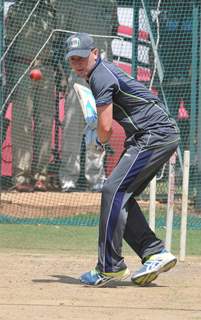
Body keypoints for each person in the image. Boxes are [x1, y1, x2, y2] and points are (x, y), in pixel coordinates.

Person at [65, 32, 180, 286]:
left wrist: (97, 141)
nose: (78, 63)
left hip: (153, 135)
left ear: (95, 53)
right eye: (73, 59)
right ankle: (154, 252)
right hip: (153, 135)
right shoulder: (101, 73)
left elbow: (105, 127)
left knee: (112, 190)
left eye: (82, 57)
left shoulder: (100, 76)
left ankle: (110, 267)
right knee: (120, 196)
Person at [56, 0, 118, 192]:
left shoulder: (109, 2)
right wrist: (63, 73)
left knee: (98, 125)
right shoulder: (69, 3)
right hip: (76, 70)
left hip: (101, 70)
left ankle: (96, 178)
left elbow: (113, 30)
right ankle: (68, 179)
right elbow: (60, 34)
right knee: (72, 127)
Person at [5, 0, 67, 192]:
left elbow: (58, 44)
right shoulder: (16, 9)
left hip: (46, 68)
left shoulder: (51, 12)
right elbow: (8, 42)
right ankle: (21, 175)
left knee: (45, 123)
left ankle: (41, 175)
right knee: (22, 122)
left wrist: (61, 74)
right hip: (22, 66)